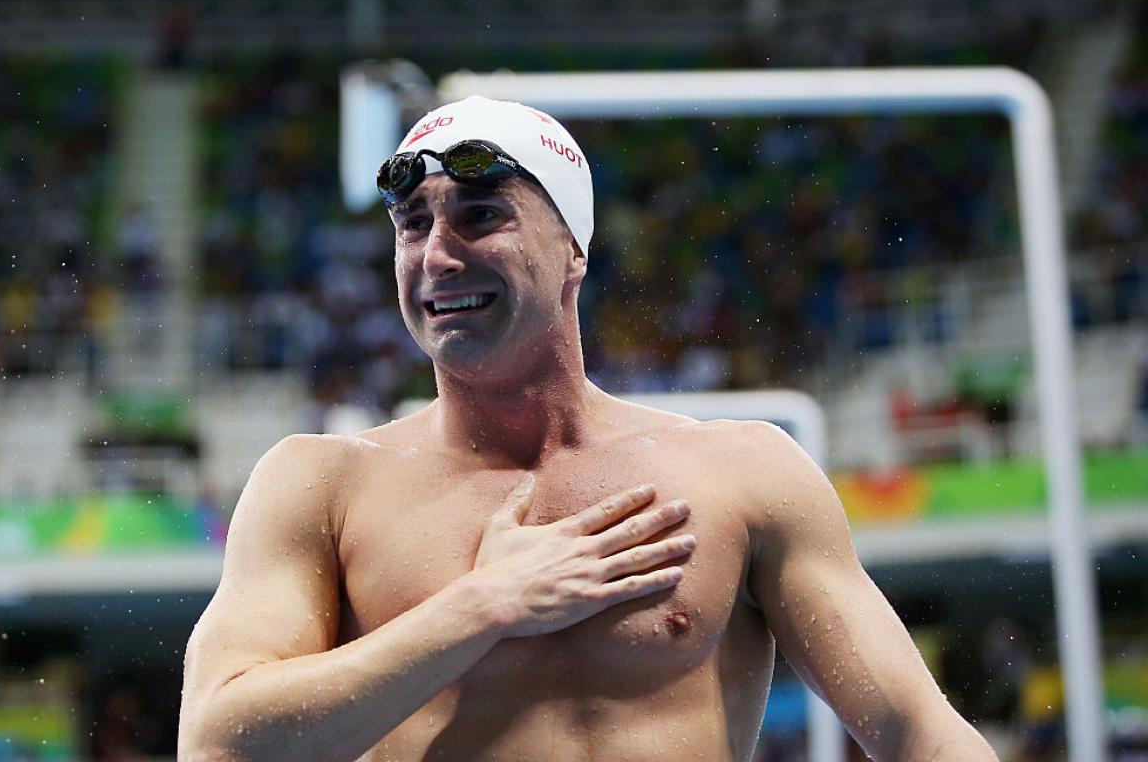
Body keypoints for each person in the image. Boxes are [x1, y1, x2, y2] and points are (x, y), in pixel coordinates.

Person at [178, 96, 997, 761]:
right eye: (413, 224)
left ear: (573, 247)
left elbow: (916, 732)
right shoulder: (322, 485)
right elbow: (219, 742)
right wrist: (479, 607)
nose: (438, 254)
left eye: (481, 214)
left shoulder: (743, 474)